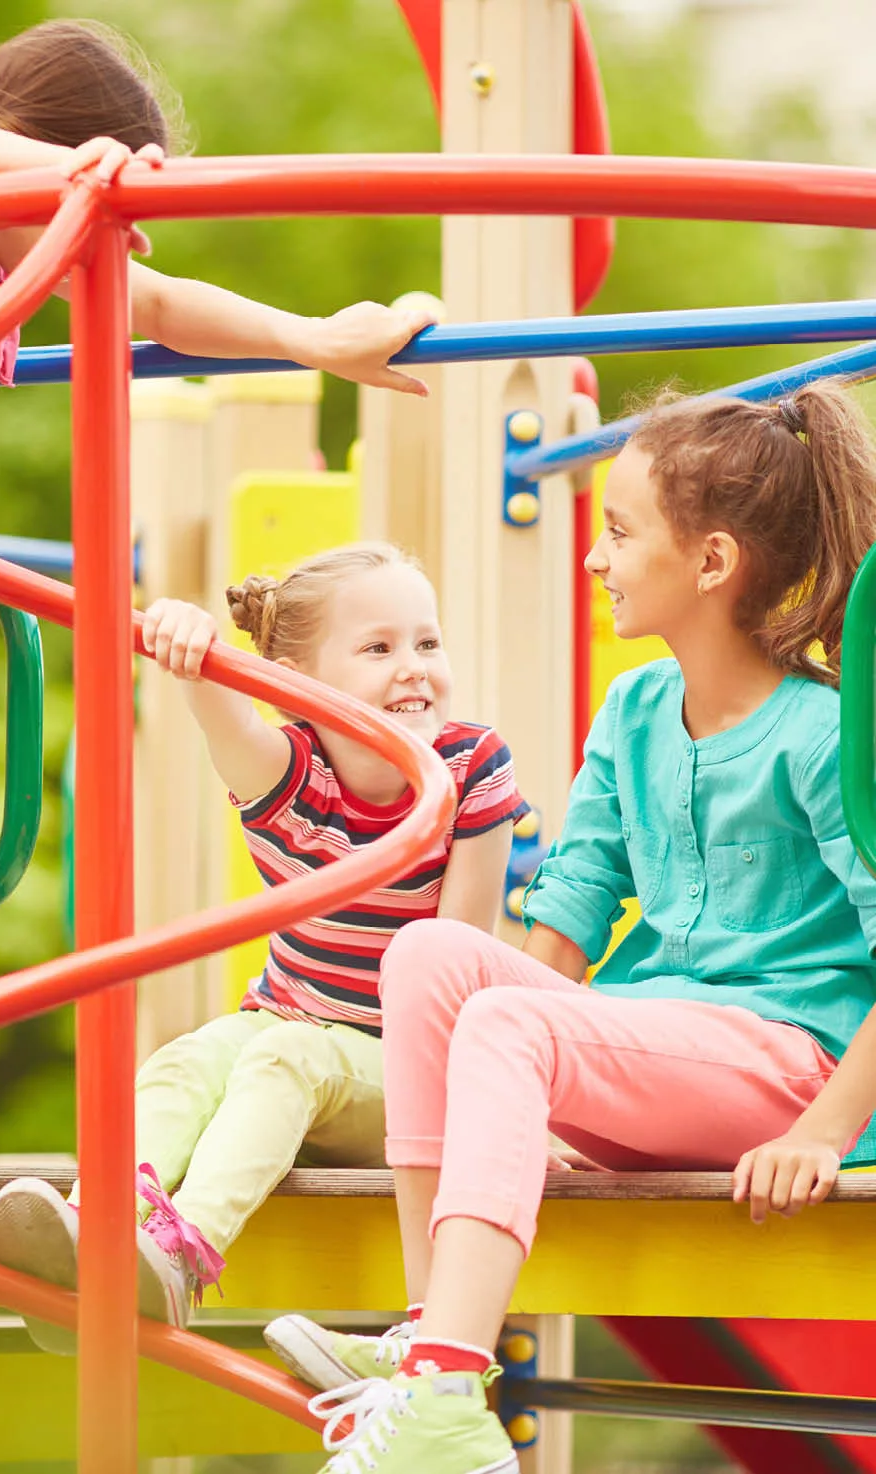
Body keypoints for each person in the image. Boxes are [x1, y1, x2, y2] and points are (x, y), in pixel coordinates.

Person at [262, 383, 876, 1474]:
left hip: (787, 1066)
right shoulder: (635, 710)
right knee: (431, 956)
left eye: (618, 531)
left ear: (712, 564)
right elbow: (564, 920)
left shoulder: (821, 736)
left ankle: (447, 1389)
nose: (594, 558)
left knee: (508, 1023)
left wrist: (820, 1132)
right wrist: (519, 1069)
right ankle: (429, 1341)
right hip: (655, 1047)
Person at [0, 541, 528, 1348]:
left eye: (427, 642)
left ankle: (178, 1260)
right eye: (379, 648)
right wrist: (189, 646)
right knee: (188, 1057)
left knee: (285, 1059)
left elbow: (453, 962)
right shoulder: (288, 776)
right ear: (303, 686)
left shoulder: (469, 768)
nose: (414, 666)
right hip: (290, 1021)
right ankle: (97, 1228)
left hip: (406, 1066)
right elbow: (219, 709)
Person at [0, 20, 436, 625]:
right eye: (91, 219)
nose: (92, 245)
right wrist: (65, 170)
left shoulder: (9, 266)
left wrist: (312, 339)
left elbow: (160, 305)